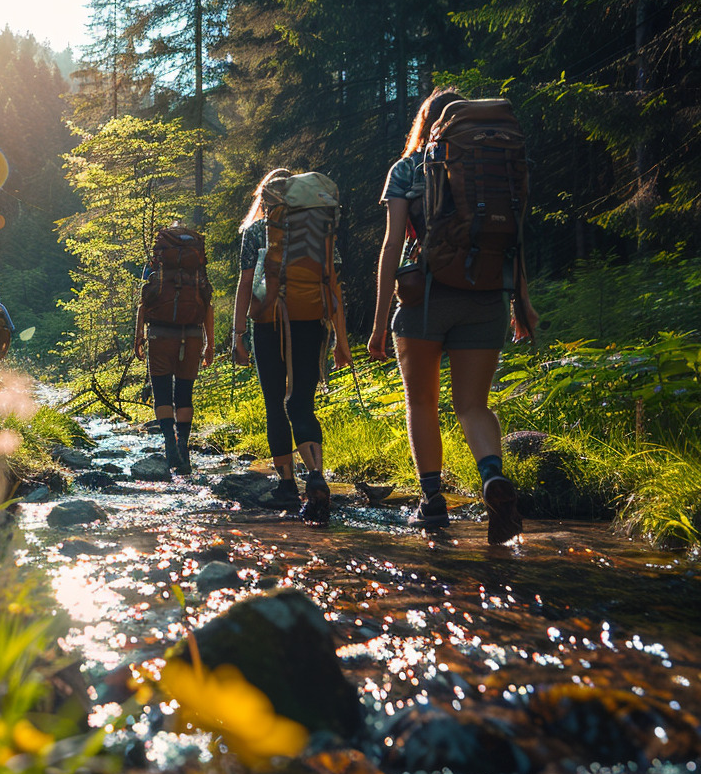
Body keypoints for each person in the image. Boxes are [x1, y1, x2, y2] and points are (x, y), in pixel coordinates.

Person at [366, 88, 539, 544]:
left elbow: (390, 247)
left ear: (427, 123)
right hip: (486, 294)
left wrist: (379, 321)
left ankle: (432, 502)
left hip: (425, 296)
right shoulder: (500, 163)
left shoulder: (407, 168)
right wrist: (522, 302)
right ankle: (491, 476)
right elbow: (514, 235)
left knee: (422, 402)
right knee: (473, 405)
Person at [232, 170, 351, 523]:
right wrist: (340, 343)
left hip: (269, 322)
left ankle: (286, 485)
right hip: (311, 321)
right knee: (301, 401)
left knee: (274, 402)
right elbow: (333, 286)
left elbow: (245, 282)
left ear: (266, 199)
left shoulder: (256, 230)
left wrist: (237, 334)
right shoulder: (319, 229)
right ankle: (316, 475)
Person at [134, 250, 216, 476]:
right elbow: (208, 307)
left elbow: (143, 305)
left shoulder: (157, 268)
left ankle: (170, 444)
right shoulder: (197, 273)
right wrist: (210, 344)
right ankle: (184, 450)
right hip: (191, 338)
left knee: (161, 392)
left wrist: (138, 337)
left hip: (160, 337)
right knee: (184, 392)